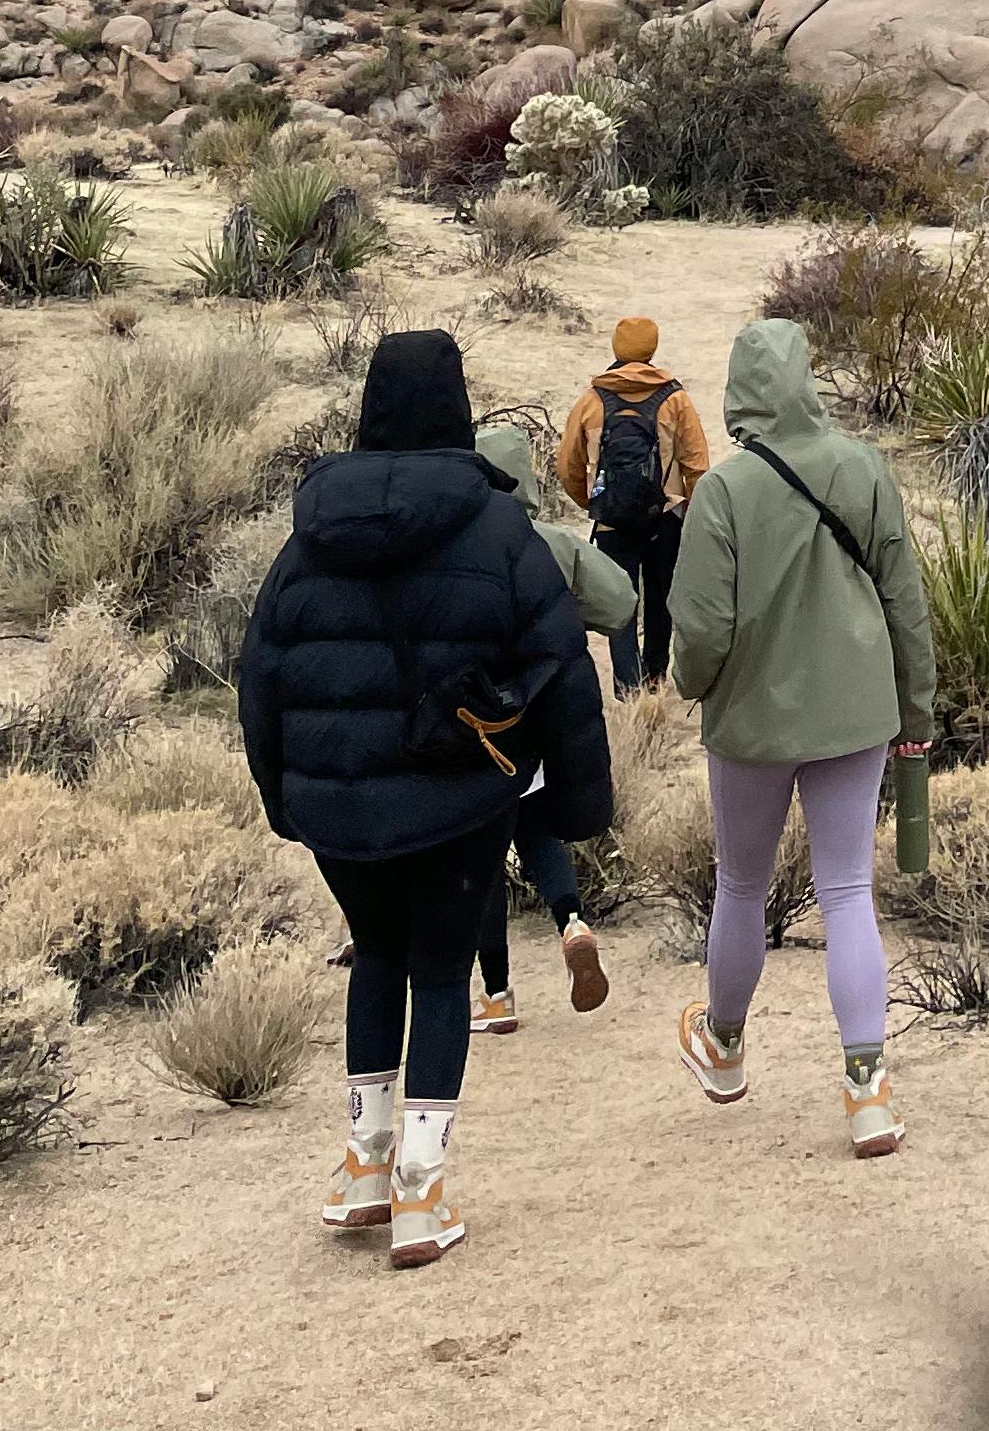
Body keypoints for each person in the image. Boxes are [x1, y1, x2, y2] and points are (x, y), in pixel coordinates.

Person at [239, 328, 612, 1270]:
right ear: (457, 409)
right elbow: (564, 666)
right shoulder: (499, 530)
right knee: (442, 973)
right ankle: (420, 1186)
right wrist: (577, 805)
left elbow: (261, 675)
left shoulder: (308, 537)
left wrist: (286, 797)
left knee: (377, 959)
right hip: (456, 797)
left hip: (339, 808)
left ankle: (362, 1167)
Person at [665, 316, 935, 1157]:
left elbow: (701, 627)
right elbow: (905, 602)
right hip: (856, 712)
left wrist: (693, 686)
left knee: (741, 886)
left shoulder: (725, 492)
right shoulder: (864, 468)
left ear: (743, 388)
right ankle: (868, 1090)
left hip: (750, 719)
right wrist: (915, 709)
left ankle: (725, 1046)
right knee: (849, 890)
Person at [467, 420, 632, 1033]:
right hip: (544, 715)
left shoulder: (459, 545)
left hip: (480, 720)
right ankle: (572, 921)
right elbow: (619, 603)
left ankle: (497, 995)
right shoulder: (553, 544)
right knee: (537, 832)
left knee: (482, 850)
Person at [554, 314, 710, 696]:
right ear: (652, 348)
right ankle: (655, 678)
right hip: (666, 516)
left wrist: (593, 501)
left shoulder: (592, 401)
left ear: (615, 348)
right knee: (661, 600)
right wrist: (689, 510)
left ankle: (627, 688)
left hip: (612, 519)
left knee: (618, 600)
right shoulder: (675, 399)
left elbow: (567, 465)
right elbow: (698, 465)